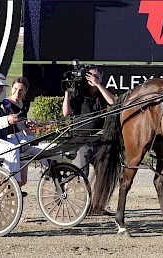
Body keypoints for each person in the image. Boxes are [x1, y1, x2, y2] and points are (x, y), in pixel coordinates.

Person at [62, 65, 115, 215]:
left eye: (97, 76)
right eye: (90, 75)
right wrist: (67, 93)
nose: (93, 78)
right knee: (81, 175)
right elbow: (66, 113)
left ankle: (98, 206)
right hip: (81, 140)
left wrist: (98, 85)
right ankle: (82, 207)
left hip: (98, 140)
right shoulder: (79, 93)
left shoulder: (101, 94)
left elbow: (112, 102)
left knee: (104, 172)